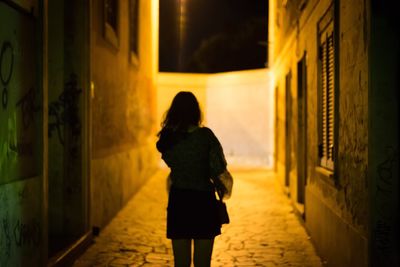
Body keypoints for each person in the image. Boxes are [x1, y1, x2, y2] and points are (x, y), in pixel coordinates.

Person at [156, 91, 233, 267]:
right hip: (203, 203)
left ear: (173, 112)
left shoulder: (168, 139)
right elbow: (218, 170)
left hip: (179, 201)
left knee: (181, 263)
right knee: (202, 263)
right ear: (196, 112)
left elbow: (171, 161)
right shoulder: (206, 136)